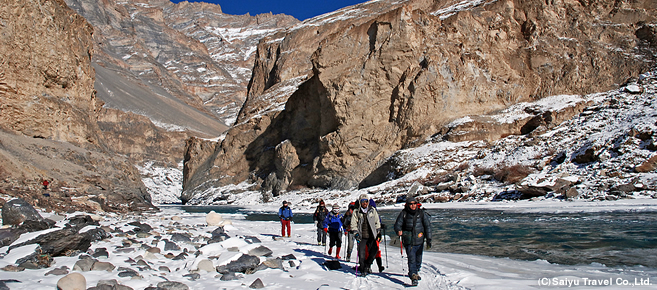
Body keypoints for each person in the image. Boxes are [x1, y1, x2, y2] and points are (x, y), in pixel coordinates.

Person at [394, 196, 432, 286]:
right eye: (411, 204)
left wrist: (429, 239)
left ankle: (416, 271)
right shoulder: (403, 214)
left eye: (414, 203)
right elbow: (397, 225)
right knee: (411, 259)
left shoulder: (421, 213)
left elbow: (427, 226)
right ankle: (413, 276)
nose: (413, 205)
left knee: (418, 260)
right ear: (407, 205)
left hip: (420, 241)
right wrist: (398, 231)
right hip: (409, 241)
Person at [350, 193, 381, 277]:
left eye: (366, 201)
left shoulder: (372, 210)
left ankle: (367, 265)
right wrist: (355, 233)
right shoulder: (356, 212)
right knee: (361, 254)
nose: (365, 203)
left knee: (374, 251)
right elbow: (353, 223)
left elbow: (377, 221)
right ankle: (363, 269)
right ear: (360, 202)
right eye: (363, 201)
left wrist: (378, 231)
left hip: (371, 235)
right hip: (361, 236)